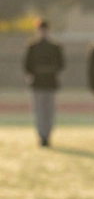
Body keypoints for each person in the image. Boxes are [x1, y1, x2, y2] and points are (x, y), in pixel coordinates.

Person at [23, 19, 65, 147]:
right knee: (40, 111)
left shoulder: (55, 46)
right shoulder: (32, 46)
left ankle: (47, 134)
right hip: (38, 82)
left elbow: (61, 64)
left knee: (49, 111)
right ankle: (42, 135)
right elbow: (27, 65)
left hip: (49, 82)